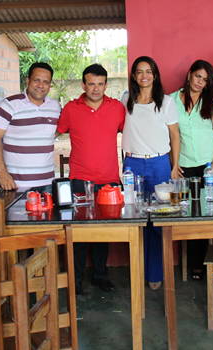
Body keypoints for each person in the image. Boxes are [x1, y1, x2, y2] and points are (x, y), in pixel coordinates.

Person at [56, 64, 124, 295]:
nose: (96, 88)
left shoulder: (116, 108)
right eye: (91, 83)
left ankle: (100, 276)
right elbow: (53, 133)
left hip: (108, 181)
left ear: (106, 85)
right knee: (77, 233)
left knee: (101, 232)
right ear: (83, 85)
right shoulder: (70, 109)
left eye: (100, 83)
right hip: (79, 180)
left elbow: (134, 133)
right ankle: (75, 281)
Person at [122, 56, 179, 290]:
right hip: (132, 165)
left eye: (148, 71)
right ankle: (138, 271)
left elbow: (175, 136)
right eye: (139, 71)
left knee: (158, 219)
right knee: (134, 219)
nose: (144, 75)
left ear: (155, 75)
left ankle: (155, 273)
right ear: (134, 76)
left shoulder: (166, 102)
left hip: (159, 165)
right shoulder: (126, 99)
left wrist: (174, 167)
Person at [169, 60, 213, 283]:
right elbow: (171, 136)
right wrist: (173, 164)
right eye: (197, 76)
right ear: (189, 74)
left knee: (212, 216)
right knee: (191, 218)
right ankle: (196, 266)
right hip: (183, 167)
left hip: (208, 166)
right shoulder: (172, 100)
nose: (200, 82)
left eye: (205, 79)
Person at [0, 63, 60, 190]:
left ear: (50, 85)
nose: (40, 85)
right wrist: (2, 173)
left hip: (47, 183)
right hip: (15, 184)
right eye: (36, 80)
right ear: (28, 81)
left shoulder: (55, 107)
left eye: (46, 82)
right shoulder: (9, 105)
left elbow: (58, 130)